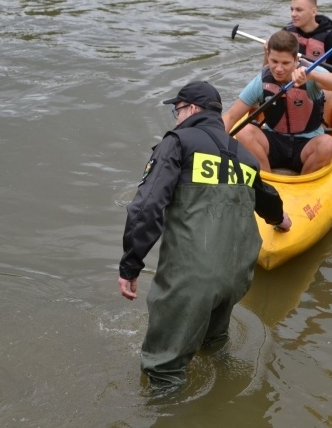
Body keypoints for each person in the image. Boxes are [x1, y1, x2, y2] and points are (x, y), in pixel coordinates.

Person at [118, 80, 292, 393]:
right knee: (212, 348)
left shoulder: (178, 142)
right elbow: (267, 197)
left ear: (192, 109)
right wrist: (280, 220)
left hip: (192, 277)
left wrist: (130, 265)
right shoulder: (244, 155)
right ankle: (222, 396)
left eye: (177, 109)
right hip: (236, 277)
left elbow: (146, 206)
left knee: (163, 372)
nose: (175, 117)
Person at [224, 29, 332, 175]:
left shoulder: (310, 72)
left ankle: (304, 182)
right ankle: (266, 180)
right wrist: (211, 142)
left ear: (296, 60)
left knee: (328, 144)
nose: (278, 68)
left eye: (285, 63)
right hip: (274, 142)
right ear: (268, 57)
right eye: (274, 61)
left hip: (307, 144)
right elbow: (231, 116)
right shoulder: (261, 81)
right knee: (244, 132)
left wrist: (312, 76)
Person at [284, 0, 332, 127]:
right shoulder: (287, 33)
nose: (293, 14)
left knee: (328, 93)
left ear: (313, 11)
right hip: (291, 83)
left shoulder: (330, 38)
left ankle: (324, 128)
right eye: (292, 9)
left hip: (319, 87)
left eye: (299, 10)